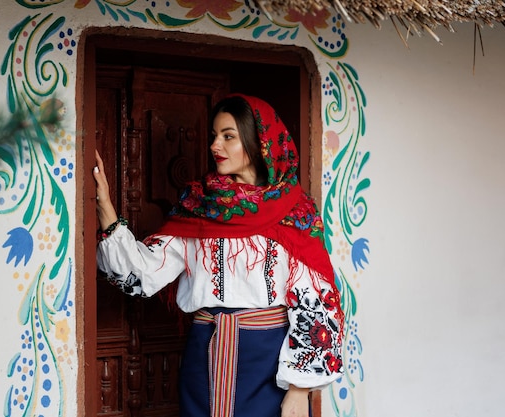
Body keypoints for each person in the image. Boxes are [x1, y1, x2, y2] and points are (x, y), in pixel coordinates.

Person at [93, 94, 344, 417]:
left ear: (258, 143)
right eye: (214, 135)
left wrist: (299, 389)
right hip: (204, 356)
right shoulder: (199, 206)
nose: (215, 145)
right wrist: (105, 208)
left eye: (228, 136)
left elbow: (318, 302)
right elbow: (142, 274)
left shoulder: (295, 212)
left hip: (269, 364)